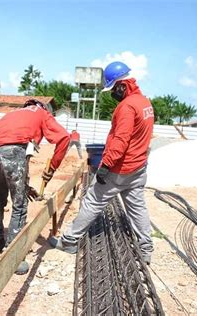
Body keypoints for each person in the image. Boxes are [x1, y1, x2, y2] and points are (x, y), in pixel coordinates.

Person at [49, 61, 155, 264]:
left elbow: (121, 140)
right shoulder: (145, 103)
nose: (113, 94)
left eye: (114, 89)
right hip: (139, 167)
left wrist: (105, 166)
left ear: (122, 85)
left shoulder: (127, 107)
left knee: (93, 201)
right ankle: (146, 249)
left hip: (120, 168)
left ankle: (69, 241)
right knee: (137, 206)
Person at [0, 98, 70, 274]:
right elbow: (64, 138)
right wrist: (52, 167)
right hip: (13, 149)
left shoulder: (14, 114)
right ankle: (13, 256)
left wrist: (25, 186)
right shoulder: (42, 114)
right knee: (20, 204)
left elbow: (0, 144)